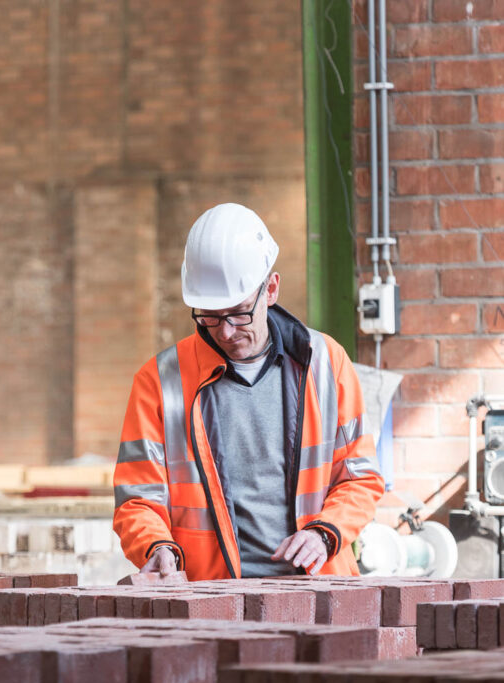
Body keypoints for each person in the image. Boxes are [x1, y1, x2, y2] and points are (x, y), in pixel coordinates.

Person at [113, 202, 384, 580]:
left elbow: (360, 477)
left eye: (239, 312)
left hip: (320, 593)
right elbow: (138, 500)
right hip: (211, 601)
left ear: (270, 289)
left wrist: (325, 534)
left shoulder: (325, 364)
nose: (224, 332)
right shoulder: (159, 381)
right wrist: (157, 547)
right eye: (209, 315)